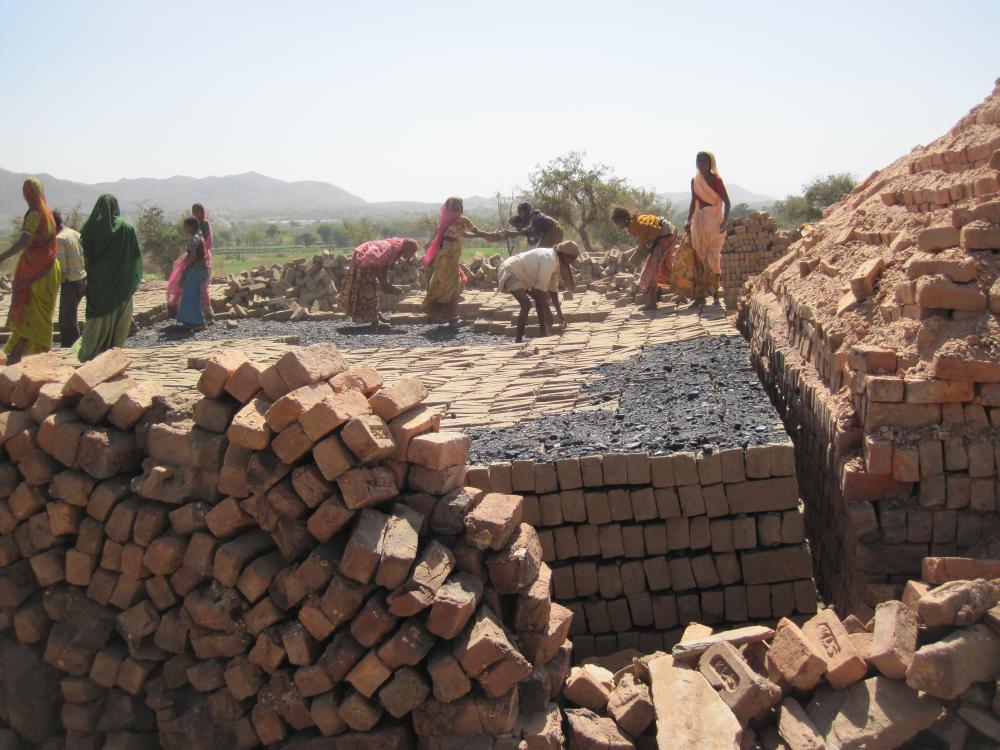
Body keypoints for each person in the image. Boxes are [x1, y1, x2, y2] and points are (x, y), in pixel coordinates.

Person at [0, 178, 62, 363]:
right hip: (49, 267)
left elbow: (23, 241)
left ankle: (19, 356)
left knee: (30, 310)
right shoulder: (49, 213)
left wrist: (2, 257)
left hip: (36, 271)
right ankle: (25, 355)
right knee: (38, 312)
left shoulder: (35, 214)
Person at [77, 194, 143, 361]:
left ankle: (90, 353)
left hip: (99, 286)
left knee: (96, 321)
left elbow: (84, 256)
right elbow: (135, 257)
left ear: (97, 208)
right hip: (122, 285)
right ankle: (113, 356)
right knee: (120, 321)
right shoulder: (127, 229)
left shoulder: (90, 229)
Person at [421, 196, 486, 329]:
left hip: (443, 253)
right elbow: (476, 231)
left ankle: (439, 315)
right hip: (451, 253)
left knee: (440, 284)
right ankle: (453, 319)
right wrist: (490, 235)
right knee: (454, 285)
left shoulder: (445, 220)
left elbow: (461, 234)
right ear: (460, 207)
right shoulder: (463, 219)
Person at [497, 241, 579, 342]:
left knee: (540, 298)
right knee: (526, 304)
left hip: (524, 275)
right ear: (564, 255)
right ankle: (518, 340)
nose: (569, 263)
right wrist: (548, 311)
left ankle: (543, 333)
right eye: (570, 260)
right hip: (511, 270)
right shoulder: (550, 260)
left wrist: (559, 313)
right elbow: (540, 290)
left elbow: (553, 290)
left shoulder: (557, 263)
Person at [684, 151, 730, 305]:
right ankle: (700, 296)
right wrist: (687, 219)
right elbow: (692, 202)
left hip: (715, 221)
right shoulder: (694, 181)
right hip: (699, 222)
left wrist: (725, 222)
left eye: (704, 161)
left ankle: (716, 294)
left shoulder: (716, 180)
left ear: (711, 163)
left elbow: (727, 203)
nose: (700, 164)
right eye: (698, 161)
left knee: (714, 259)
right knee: (699, 259)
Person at [338, 237, 419, 324]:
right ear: (406, 248)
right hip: (365, 261)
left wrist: (385, 283)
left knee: (373, 287)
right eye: (411, 252)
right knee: (368, 290)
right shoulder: (390, 250)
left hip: (367, 260)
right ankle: (374, 318)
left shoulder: (395, 252)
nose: (410, 256)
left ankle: (377, 315)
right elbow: (374, 260)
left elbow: (384, 266)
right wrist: (383, 282)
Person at [611, 207, 676, 311]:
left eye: (618, 222)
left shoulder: (634, 224)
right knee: (660, 267)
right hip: (666, 233)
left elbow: (655, 231)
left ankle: (651, 302)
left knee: (651, 269)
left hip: (666, 235)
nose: (617, 225)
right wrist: (645, 248)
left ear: (623, 219)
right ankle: (682, 290)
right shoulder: (633, 223)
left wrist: (644, 249)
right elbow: (646, 236)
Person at [53, 210, 87, 347]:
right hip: (82, 278)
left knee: (67, 319)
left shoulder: (59, 239)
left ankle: (71, 347)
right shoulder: (75, 234)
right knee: (71, 316)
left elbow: (60, 268)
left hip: (70, 282)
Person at [176, 218, 209, 331]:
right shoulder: (199, 236)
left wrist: (186, 267)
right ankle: (190, 322)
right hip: (203, 269)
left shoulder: (191, 238)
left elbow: (193, 256)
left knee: (191, 296)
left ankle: (200, 322)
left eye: (185, 226)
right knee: (191, 295)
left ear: (191, 227)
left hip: (196, 268)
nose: (184, 228)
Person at [192, 203, 215, 323]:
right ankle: (197, 315)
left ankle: (208, 314)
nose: (195, 213)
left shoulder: (205, 225)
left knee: (203, 286)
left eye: (197, 211)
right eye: (193, 211)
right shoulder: (193, 225)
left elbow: (207, 242)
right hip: (194, 258)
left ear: (202, 212)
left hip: (203, 258)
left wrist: (200, 253)